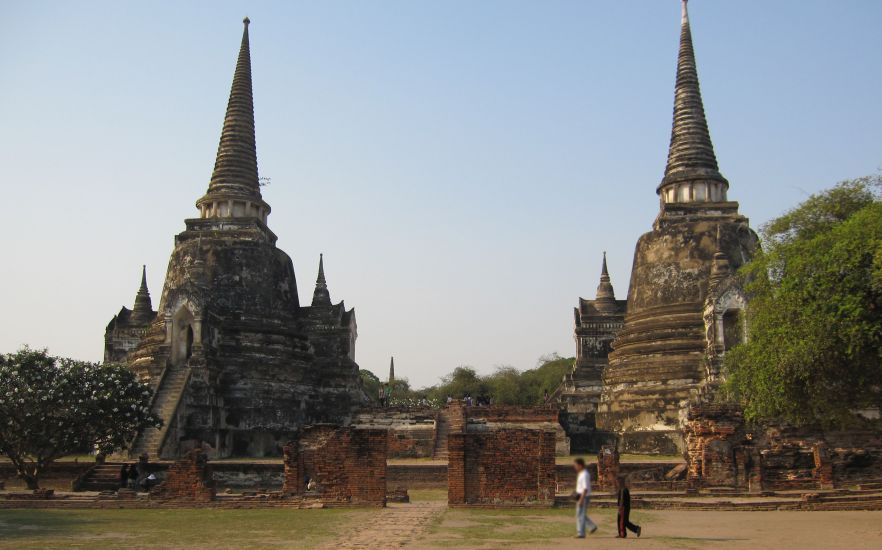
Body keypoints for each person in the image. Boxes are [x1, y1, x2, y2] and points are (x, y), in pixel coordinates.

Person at [574, 458, 598, 538]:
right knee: (580, 514)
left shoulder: (584, 474)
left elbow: (585, 488)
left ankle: (581, 533)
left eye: (576, 465)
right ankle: (591, 526)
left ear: (580, 465)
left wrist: (581, 499)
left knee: (581, 514)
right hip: (581, 496)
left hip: (584, 496)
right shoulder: (581, 474)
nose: (575, 467)